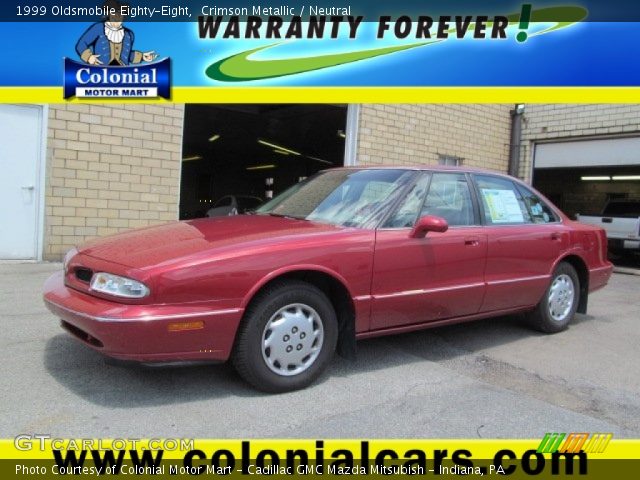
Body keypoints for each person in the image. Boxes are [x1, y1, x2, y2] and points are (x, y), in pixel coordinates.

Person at [75, 0, 157, 66]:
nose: (117, 17)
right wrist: (89, 57)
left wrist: (142, 56)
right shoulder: (98, 28)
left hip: (122, 75)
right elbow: (81, 44)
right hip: (100, 74)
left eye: (120, 14)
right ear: (108, 14)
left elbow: (126, 55)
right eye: (114, 13)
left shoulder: (129, 34)